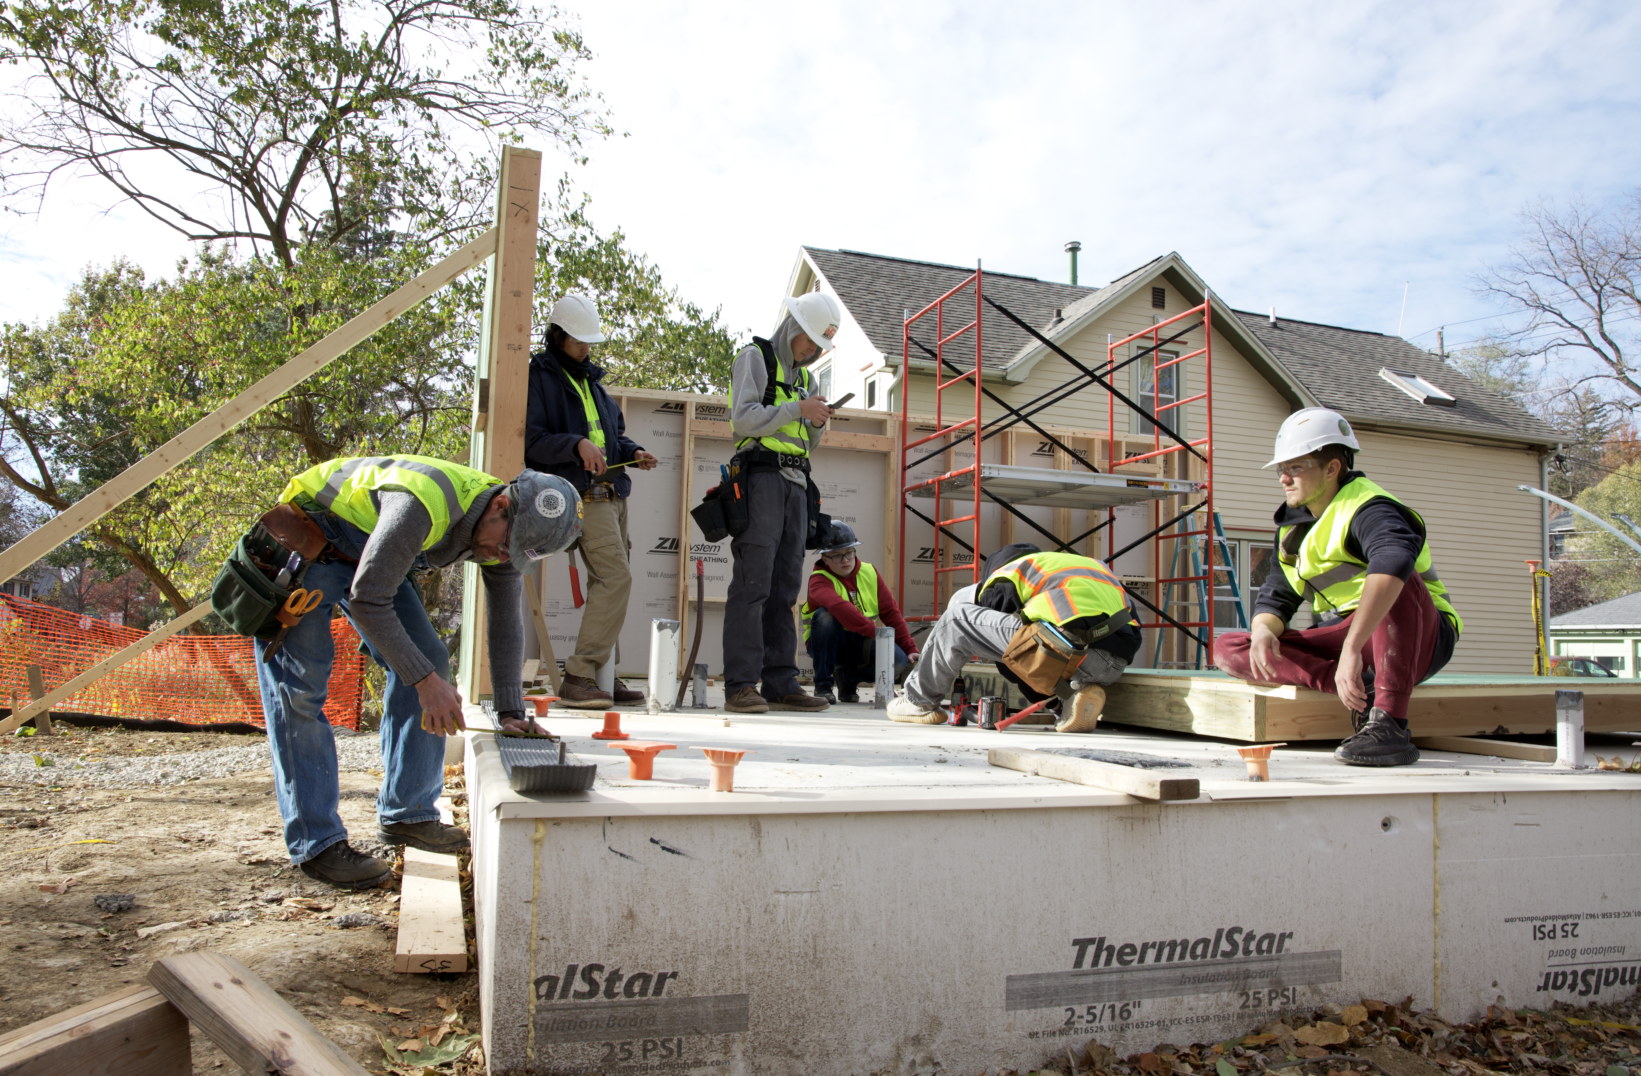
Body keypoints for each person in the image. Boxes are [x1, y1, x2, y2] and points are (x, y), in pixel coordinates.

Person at [257, 457, 581, 888]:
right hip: (313, 539)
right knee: (300, 692)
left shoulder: (504, 530)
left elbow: (505, 621)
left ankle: (406, 814)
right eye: (506, 547)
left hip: (368, 555)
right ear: (501, 505)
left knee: (429, 658)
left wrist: (509, 711)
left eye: (516, 555)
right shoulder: (424, 503)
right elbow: (371, 599)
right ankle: (317, 844)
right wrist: (424, 683)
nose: (503, 557)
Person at [1212, 408, 1462, 767]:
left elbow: (1394, 563)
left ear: (1332, 468)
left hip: (1419, 634)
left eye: (1295, 467)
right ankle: (1357, 688)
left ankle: (1389, 725)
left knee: (1398, 581)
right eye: (1282, 469)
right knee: (1231, 647)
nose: (1283, 478)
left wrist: (1352, 646)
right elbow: (1278, 592)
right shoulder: (1292, 529)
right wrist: (1265, 629)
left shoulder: (1371, 508)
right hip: (1351, 641)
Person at [525, 294, 659, 708]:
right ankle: (580, 674)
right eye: (578, 340)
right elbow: (532, 442)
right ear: (558, 335)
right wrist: (575, 444)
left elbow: (613, 439)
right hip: (580, 495)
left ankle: (603, 673)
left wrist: (634, 452)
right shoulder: (539, 377)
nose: (586, 347)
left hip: (612, 494)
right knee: (616, 579)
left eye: (589, 341)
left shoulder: (594, 384)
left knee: (609, 585)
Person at [722, 291, 841, 714]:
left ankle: (780, 681)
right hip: (761, 479)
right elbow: (744, 418)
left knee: (786, 588)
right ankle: (740, 684)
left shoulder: (808, 381)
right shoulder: (753, 357)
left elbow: (806, 441)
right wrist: (797, 409)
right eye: (809, 340)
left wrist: (816, 420)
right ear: (792, 327)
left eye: (819, 345)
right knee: (753, 583)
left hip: (795, 483)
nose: (812, 350)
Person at [888, 543, 1142, 733]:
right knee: (1021, 647)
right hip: (1114, 664)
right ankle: (1067, 703)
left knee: (956, 620)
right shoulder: (1085, 567)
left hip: (1069, 652)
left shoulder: (1007, 575)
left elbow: (1007, 654)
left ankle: (918, 701)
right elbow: (1134, 625)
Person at [801, 521, 920, 704]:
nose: (845, 560)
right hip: (830, 645)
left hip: (860, 641)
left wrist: (909, 647)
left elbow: (890, 612)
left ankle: (847, 678)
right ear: (824, 558)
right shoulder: (819, 580)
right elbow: (840, 606)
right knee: (826, 616)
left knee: (899, 661)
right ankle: (823, 686)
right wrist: (877, 634)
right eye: (837, 556)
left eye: (849, 552)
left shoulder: (869, 572)